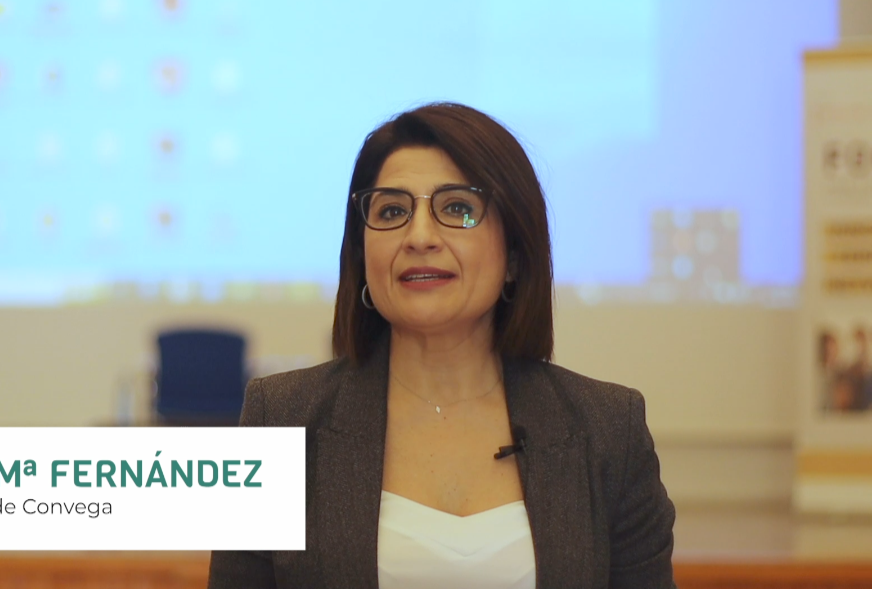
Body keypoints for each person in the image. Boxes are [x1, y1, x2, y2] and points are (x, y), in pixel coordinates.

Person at [208, 103, 675, 588]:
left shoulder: (608, 430)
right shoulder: (281, 419)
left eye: (457, 209)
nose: (420, 237)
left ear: (515, 255)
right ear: (362, 255)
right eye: (392, 211)